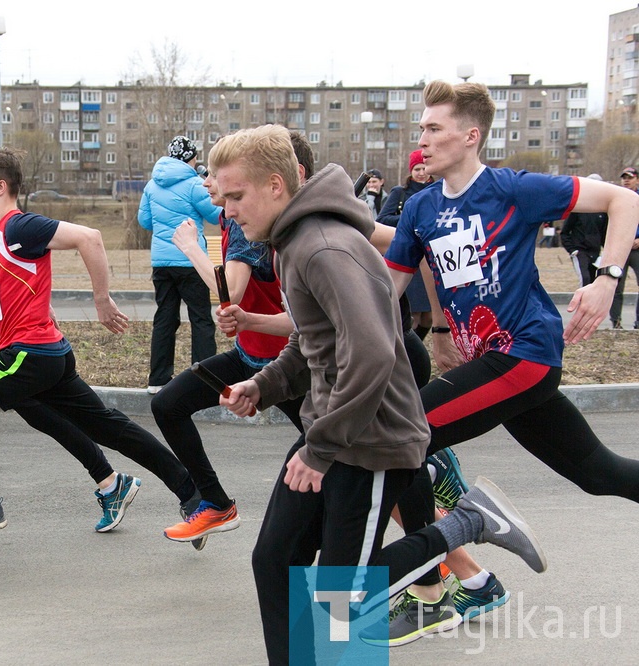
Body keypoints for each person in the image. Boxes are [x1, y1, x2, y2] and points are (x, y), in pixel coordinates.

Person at [210, 124, 546, 665]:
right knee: (274, 561)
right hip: (334, 429)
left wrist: (318, 449)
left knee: (342, 600)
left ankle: (469, 521)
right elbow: (315, 341)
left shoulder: (323, 247)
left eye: (235, 196)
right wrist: (263, 384)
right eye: (221, 198)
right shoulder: (293, 244)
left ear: (275, 185)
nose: (228, 211)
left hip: (370, 442)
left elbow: (370, 354)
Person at [384, 79, 639, 646]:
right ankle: (458, 584)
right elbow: (387, 289)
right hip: (495, 362)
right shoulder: (421, 208)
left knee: (404, 434)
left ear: (470, 135)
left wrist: (606, 280)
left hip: (525, 354)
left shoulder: (514, 190)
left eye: (433, 128)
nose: (420, 137)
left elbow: (627, 200)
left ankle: (431, 594)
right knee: (598, 473)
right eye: (421, 127)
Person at [0, 146, 202, 540]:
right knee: (109, 427)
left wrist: (101, 299)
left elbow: (90, 238)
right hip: (47, 354)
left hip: (28, 354)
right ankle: (193, 495)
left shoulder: (18, 227)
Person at [151, 133, 311, 549]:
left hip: (292, 370)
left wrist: (191, 249)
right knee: (168, 404)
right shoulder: (234, 219)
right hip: (251, 359)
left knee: (349, 471)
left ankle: (437, 544)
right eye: (207, 173)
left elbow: (231, 293)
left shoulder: (270, 231)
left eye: (223, 181)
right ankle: (216, 504)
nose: (207, 181)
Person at [138, 135, 221, 394]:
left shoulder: (152, 185)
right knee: (200, 319)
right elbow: (217, 215)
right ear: (191, 158)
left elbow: (145, 221)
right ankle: (205, 381)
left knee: (165, 317)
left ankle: (158, 379)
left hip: (161, 261)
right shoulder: (194, 184)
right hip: (189, 260)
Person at [378, 150, 435, 339]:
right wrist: (408, 218)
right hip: (409, 256)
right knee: (414, 314)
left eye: (424, 168)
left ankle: (416, 344)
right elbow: (383, 219)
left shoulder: (438, 190)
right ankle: (410, 350)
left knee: (429, 316)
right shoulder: (400, 193)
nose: (421, 172)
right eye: (417, 169)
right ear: (411, 171)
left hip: (432, 256)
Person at [561, 174, 608, 289]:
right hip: (580, 251)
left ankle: (591, 307)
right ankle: (580, 306)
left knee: (594, 282)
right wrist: (572, 250)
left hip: (595, 252)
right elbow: (565, 232)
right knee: (585, 279)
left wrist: (607, 250)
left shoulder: (602, 211)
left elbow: (604, 234)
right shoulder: (578, 208)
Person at [610, 167, 639, 329]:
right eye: (624, 178)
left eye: (630, 177)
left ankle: (638, 322)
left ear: (637, 180)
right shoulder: (616, 197)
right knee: (616, 285)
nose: (626, 180)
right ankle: (616, 322)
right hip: (621, 247)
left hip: (637, 248)